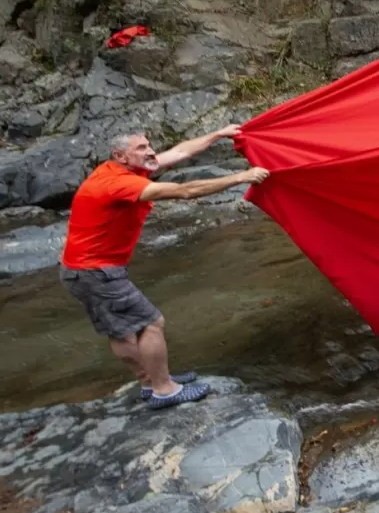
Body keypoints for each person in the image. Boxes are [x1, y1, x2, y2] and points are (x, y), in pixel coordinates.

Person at [59, 127, 270, 410]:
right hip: (96, 272)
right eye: (141, 148)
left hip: (83, 271)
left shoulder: (126, 170)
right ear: (120, 156)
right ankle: (165, 390)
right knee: (151, 323)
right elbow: (185, 191)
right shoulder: (117, 183)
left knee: (121, 331)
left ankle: (151, 381)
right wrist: (241, 177)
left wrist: (218, 134)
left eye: (149, 145)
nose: (150, 151)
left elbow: (182, 151)